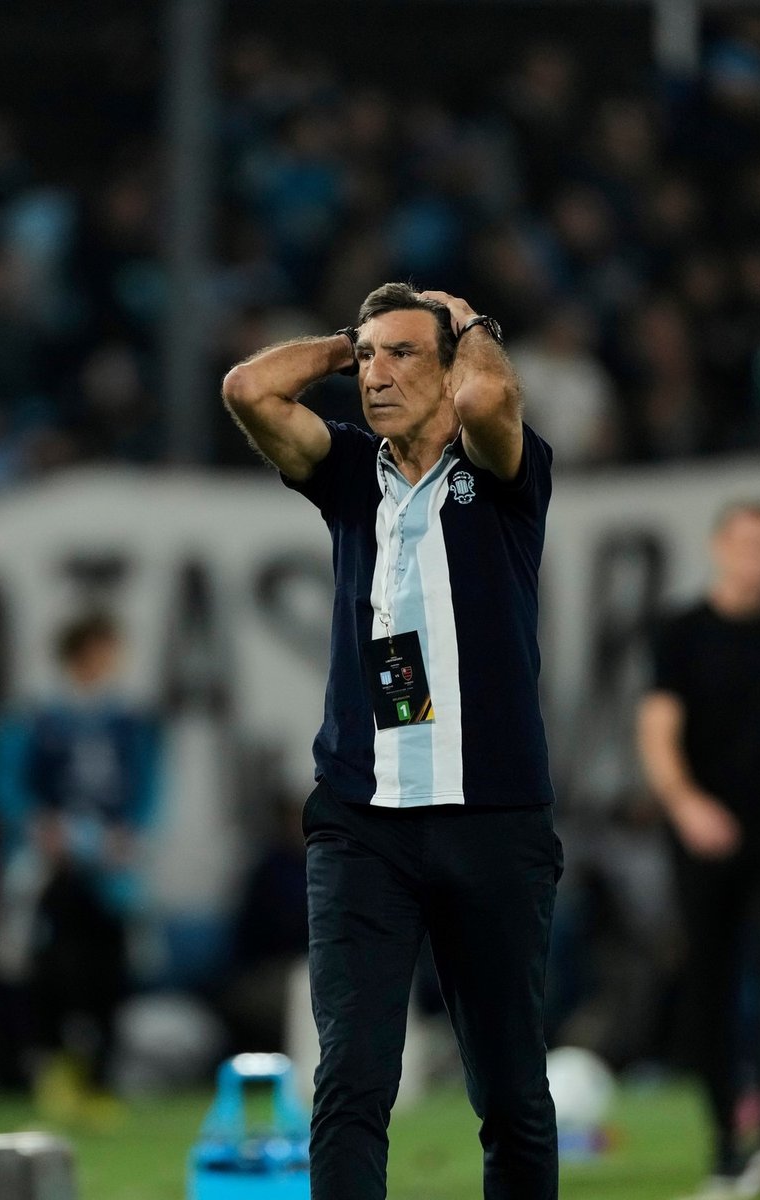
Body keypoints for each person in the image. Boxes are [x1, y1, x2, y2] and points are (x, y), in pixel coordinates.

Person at [223, 282, 561, 1200]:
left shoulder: (500, 476)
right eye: (370, 360)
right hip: (362, 823)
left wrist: (474, 327)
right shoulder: (345, 476)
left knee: (512, 1093)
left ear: (451, 367)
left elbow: (490, 401)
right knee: (351, 1084)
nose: (378, 375)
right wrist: (353, 341)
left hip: (491, 818)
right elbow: (250, 391)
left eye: (403, 357)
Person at [637, 500, 760, 1197]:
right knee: (711, 988)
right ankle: (725, 1138)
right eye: (748, 543)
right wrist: (687, 803)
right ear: (720, 547)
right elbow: (657, 729)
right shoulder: (683, 634)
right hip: (705, 839)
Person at [22, 614, 161, 1121]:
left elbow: (147, 789)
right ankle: (59, 1071)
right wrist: (42, 828)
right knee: (56, 972)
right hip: (54, 869)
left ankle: (102, 1077)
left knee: (111, 974)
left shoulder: (128, 720)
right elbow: (16, 785)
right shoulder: (42, 716)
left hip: (112, 872)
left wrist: (132, 835)